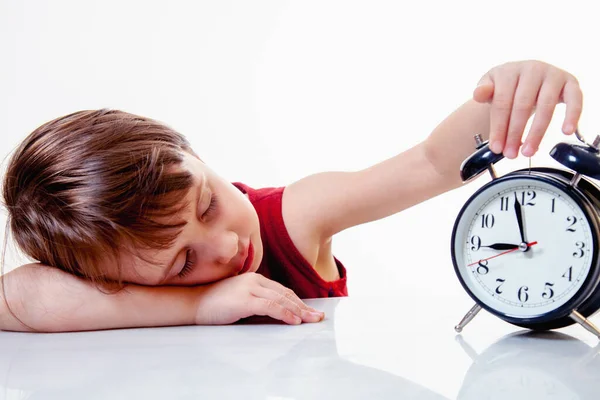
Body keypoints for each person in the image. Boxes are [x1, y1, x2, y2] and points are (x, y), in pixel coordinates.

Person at [0, 60, 583, 332]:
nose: (226, 245)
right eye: (182, 263)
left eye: (206, 204)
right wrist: (195, 307)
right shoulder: (118, 277)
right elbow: (16, 297)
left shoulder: (291, 220)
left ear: (195, 154)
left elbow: (431, 162)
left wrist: (505, 94)